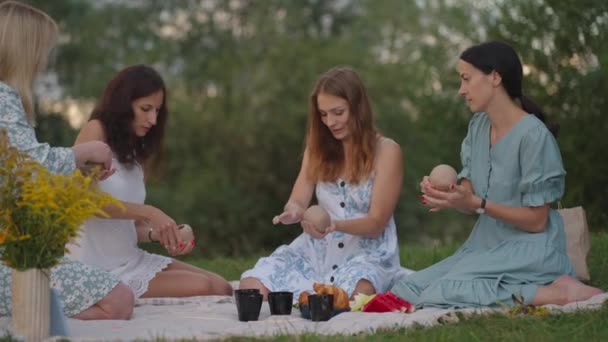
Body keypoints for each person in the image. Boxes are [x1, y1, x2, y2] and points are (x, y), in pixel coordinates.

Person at [391, 41, 604, 308]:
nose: (461, 90)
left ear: (495, 77)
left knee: (446, 291)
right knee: (405, 290)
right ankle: (536, 287)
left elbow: (537, 221)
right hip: (485, 245)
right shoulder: (478, 127)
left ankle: (556, 293)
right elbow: (469, 200)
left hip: (530, 247)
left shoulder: (534, 136)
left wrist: (477, 204)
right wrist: (450, 197)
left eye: (466, 79)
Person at [0, 1, 133, 319]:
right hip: (9, 256)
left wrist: (75, 168)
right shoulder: (4, 97)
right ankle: (22, 317)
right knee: (119, 300)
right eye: (43, 50)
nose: (44, 61)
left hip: (13, 247)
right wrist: (82, 153)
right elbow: (26, 167)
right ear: (24, 50)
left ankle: (24, 311)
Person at [239, 66, 407, 301]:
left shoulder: (387, 151)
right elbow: (298, 199)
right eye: (324, 114)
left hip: (366, 255)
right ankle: (310, 296)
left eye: (338, 112)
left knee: (355, 295)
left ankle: (313, 297)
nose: (330, 122)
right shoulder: (316, 149)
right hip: (317, 251)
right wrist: (294, 213)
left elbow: (376, 223)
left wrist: (335, 225)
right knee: (251, 286)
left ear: (358, 108)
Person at [69, 65, 233, 298]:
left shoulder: (136, 151)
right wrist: (149, 212)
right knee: (204, 287)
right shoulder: (95, 131)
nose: (153, 119)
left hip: (129, 258)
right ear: (123, 104)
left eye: (157, 110)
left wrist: (163, 233)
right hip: (97, 266)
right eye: (145, 109)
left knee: (222, 286)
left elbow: (129, 228)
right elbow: (80, 202)